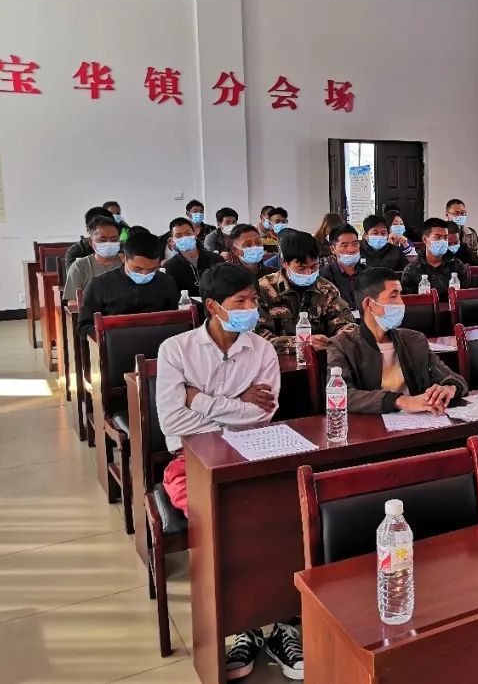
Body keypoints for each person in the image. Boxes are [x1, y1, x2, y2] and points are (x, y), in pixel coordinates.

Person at [155, 263, 302, 680]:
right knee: (223, 525)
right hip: (190, 460)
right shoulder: (176, 350)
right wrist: (235, 404)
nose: (251, 308)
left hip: (253, 453)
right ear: (214, 307)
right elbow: (172, 422)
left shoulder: (262, 350)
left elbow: (261, 415)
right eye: (241, 302)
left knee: (290, 515)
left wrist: (197, 398)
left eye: (253, 300)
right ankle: (244, 626)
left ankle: (283, 622)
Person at [327, 267, 469, 414]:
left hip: (421, 420)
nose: (401, 302)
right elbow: (342, 395)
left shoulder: (415, 340)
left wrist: (449, 388)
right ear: (368, 303)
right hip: (373, 424)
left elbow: (453, 377)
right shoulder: (342, 345)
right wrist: (400, 401)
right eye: (393, 296)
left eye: (401, 295)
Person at [255, 229, 357, 353]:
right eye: (301, 268)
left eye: (314, 266)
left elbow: (347, 325)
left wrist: (338, 339)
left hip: (319, 358)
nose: (309, 273)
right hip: (277, 361)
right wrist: (303, 342)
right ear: (284, 263)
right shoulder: (264, 289)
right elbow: (259, 338)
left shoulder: (325, 289)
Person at [78, 231, 180, 338]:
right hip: (115, 342)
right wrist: (107, 337)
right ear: (123, 258)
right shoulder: (99, 284)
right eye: (138, 268)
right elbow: (84, 326)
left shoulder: (166, 282)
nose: (145, 274)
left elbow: (175, 318)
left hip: (159, 341)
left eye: (152, 269)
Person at [62, 215, 124, 302]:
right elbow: (73, 302)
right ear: (91, 242)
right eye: (102, 240)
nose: (109, 244)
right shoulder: (79, 267)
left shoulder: (128, 263)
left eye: (114, 240)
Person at [401, 218, 469, 296]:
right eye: (437, 237)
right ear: (425, 239)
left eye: (445, 237)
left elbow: (464, 297)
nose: (443, 241)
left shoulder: (457, 265)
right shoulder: (411, 270)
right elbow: (410, 301)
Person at [163, 217, 226, 297]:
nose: (184, 238)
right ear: (172, 241)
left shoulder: (216, 259)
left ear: (195, 234)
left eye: (188, 234)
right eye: (178, 236)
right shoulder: (169, 267)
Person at [319, 224, 361, 308]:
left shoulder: (369, 273)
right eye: (345, 245)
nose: (351, 250)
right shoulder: (323, 276)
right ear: (333, 249)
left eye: (355, 244)